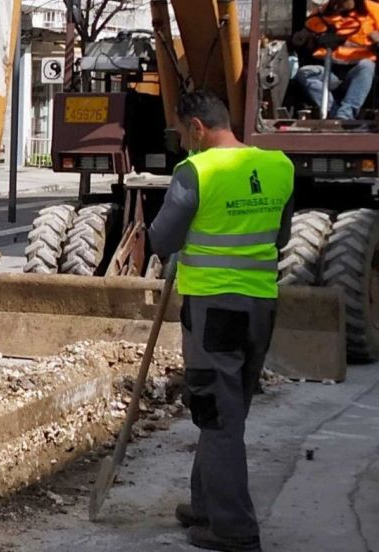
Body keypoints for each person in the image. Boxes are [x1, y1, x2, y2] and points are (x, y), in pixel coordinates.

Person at [148, 91, 294, 552]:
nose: (181, 141)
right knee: (229, 410)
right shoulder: (280, 166)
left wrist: (190, 229)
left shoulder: (196, 171)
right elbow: (282, 234)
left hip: (214, 310)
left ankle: (233, 529)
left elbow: (161, 239)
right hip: (261, 307)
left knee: (217, 417)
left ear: (197, 127)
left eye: (180, 132)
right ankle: (205, 503)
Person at [292, 0, 379, 120]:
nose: (333, 1)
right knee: (304, 73)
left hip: (357, 70)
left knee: (367, 66)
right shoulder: (322, 13)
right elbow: (304, 34)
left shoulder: (370, 8)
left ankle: (345, 115)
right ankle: (335, 115)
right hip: (330, 69)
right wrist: (299, 39)